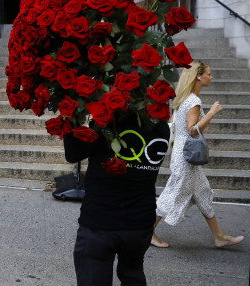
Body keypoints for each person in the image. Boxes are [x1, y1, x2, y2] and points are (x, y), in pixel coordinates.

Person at [63, 114, 170, 285]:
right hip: (140, 223)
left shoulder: (107, 125)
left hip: (101, 223)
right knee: (133, 275)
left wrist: (71, 115)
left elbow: (73, 153)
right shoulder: (161, 127)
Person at [151, 60, 244, 248]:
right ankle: (147, 232)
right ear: (198, 76)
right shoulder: (193, 101)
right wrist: (211, 113)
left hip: (183, 155)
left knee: (203, 193)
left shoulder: (183, 98)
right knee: (172, 194)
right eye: (208, 73)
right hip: (186, 158)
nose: (211, 76)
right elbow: (192, 130)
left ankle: (219, 236)